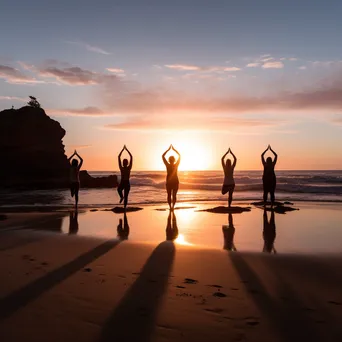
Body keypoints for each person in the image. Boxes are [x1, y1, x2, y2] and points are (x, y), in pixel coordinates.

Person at [162, 144, 181, 210]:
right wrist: (174, 150)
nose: (171, 160)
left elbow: (163, 156)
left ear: (170, 160)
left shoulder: (168, 165)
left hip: (172, 182)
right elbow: (179, 156)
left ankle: (171, 207)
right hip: (173, 182)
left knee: (170, 195)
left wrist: (168, 150)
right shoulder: (175, 165)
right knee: (172, 195)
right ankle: (172, 207)